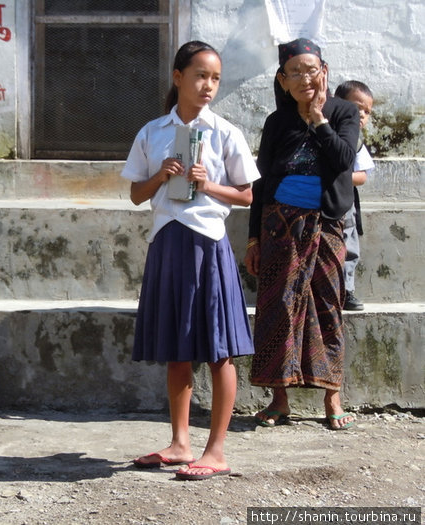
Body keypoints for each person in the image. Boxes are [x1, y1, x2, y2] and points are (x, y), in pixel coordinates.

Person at [122, 41, 260, 481]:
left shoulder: (224, 132)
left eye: (215, 78)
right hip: (167, 241)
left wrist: (209, 184)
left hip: (208, 242)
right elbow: (135, 194)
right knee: (176, 351)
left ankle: (215, 449)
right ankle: (180, 442)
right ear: (178, 77)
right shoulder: (152, 131)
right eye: (200, 75)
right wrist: (162, 175)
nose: (208, 86)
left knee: (219, 350)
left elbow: (247, 194)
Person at [244, 39, 360, 431]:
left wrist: (318, 119)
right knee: (278, 306)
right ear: (283, 79)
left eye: (312, 69)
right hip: (279, 226)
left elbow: (344, 160)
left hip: (325, 224)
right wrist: (254, 239)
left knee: (328, 303)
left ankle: (333, 395)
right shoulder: (277, 122)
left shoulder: (344, 112)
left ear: (325, 71)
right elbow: (261, 184)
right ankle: (280, 400)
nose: (306, 78)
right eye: (296, 72)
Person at [335, 80, 375, 311]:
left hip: (345, 203)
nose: (361, 114)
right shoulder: (326, 131)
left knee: (348, 245)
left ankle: (346, 289)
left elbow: (361, 176)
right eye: (356, 106)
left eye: (367, 111)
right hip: (319, 201)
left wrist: (336, 177)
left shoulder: (357, 142)